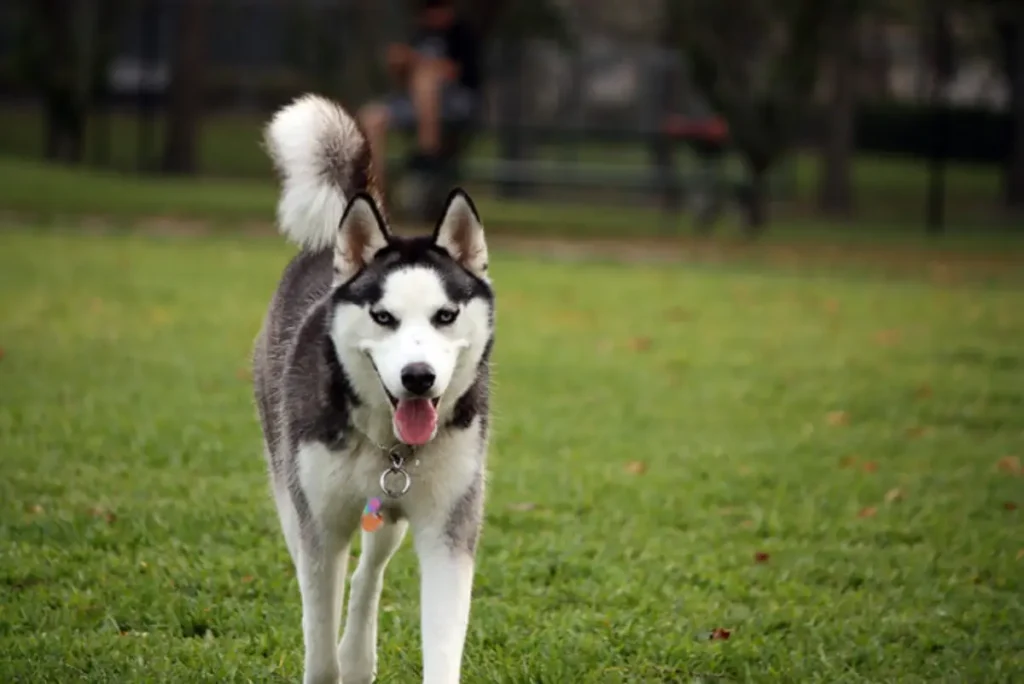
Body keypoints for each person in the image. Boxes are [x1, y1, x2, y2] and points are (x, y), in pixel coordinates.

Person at [358, 0, 482, 192]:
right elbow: (403, 84)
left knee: (427, 77)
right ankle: (376, 188)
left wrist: (417, 61)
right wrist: (399, 66)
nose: (431, 16)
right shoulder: (420, 34)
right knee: (371, 117)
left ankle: (428, 150)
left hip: (455, 101)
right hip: (415, 103)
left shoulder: (462, 34)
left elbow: (455, 73)